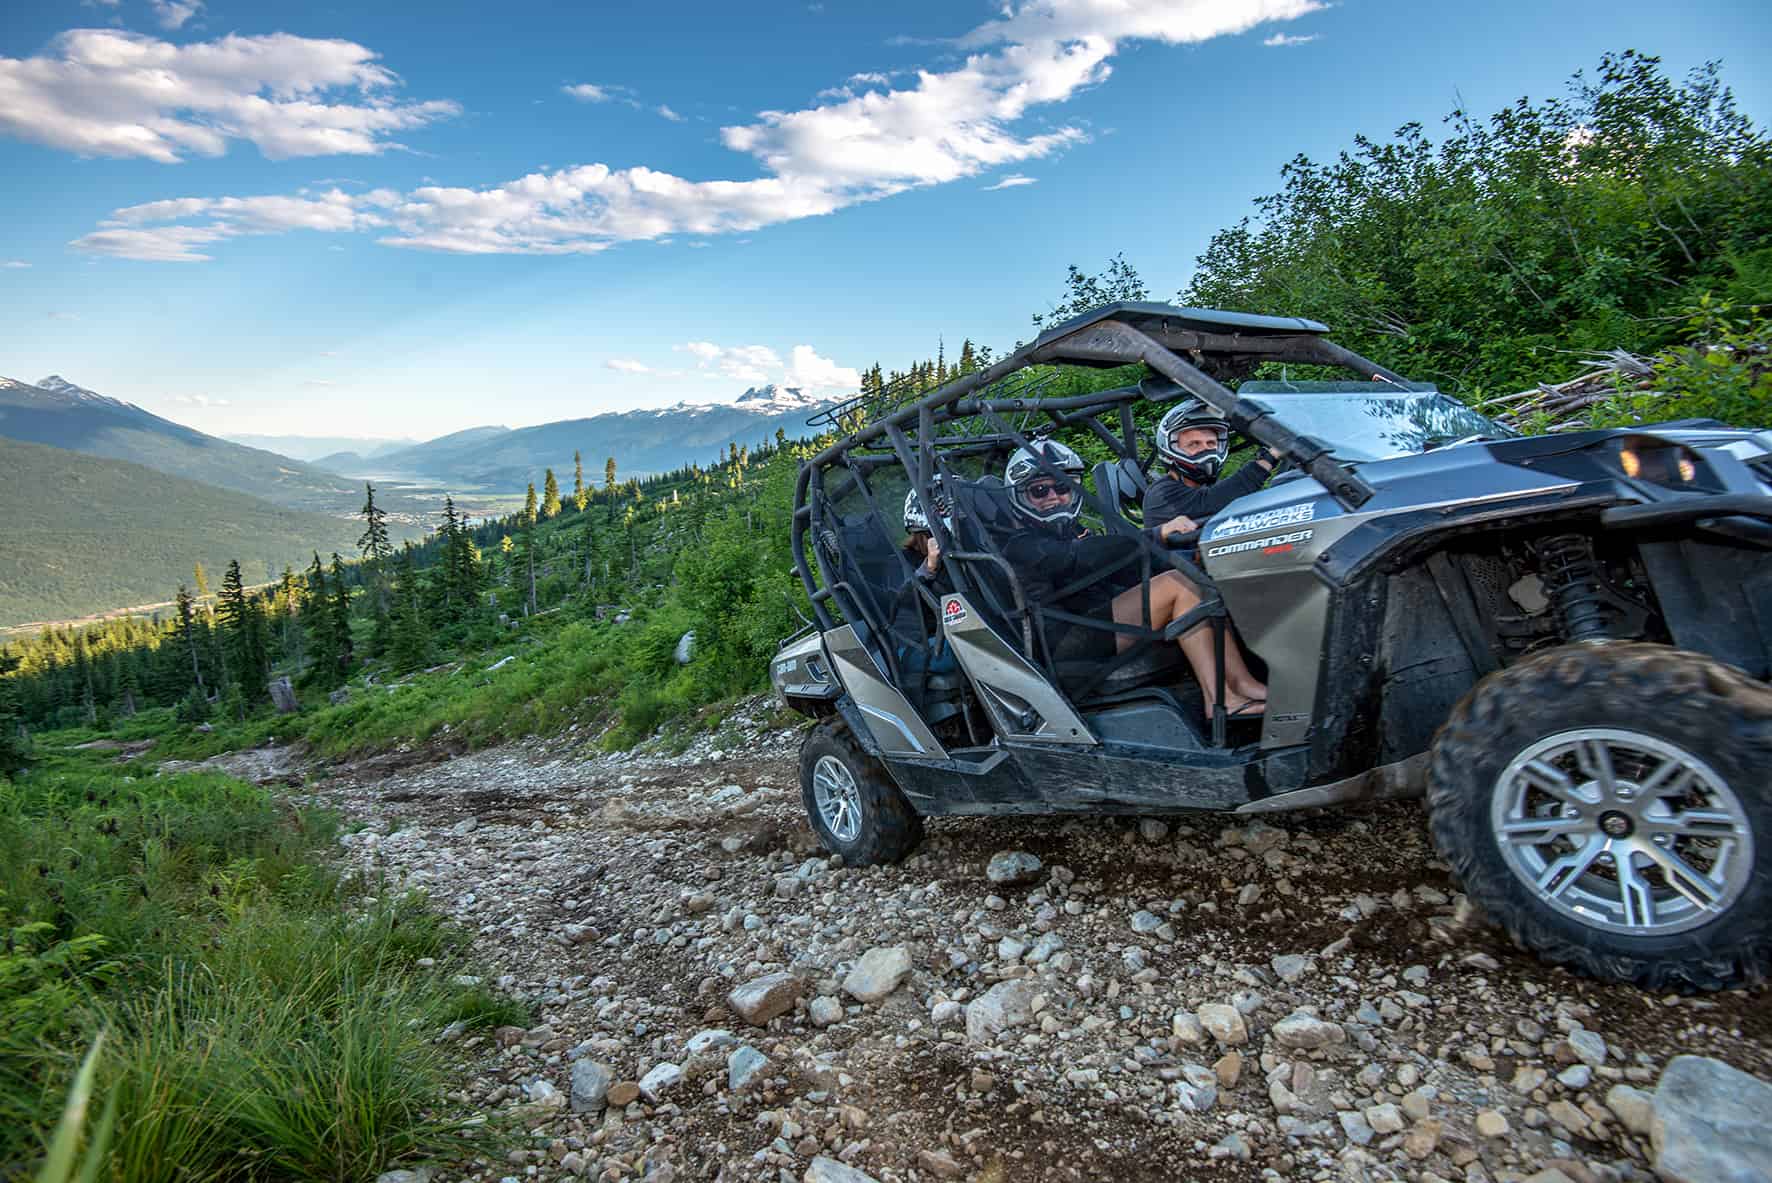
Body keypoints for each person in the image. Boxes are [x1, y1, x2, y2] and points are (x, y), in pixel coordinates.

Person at [999, 439, 1267, 718]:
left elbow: (1124, 566)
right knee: (1176, 584)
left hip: (1093, 624)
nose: (1053, 496)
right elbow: (1078, 558)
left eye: (1063, 487)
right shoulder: (1020, 544)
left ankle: (1244, 684)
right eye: (1039, 491)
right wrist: (1155, 534)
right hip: (1065, 646)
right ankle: (1221, 701)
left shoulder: (1074, 533)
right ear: (1020, 496)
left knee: (1191, 576)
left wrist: (1193, 557)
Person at [1144, 399, 1285, 526]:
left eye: (1211, 443)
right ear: (1171, 448)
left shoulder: (1204, 489)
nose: (1205, 450)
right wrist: (1269, 457)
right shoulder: (1161, 494)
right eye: (1194, 444)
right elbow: (1210, 503)